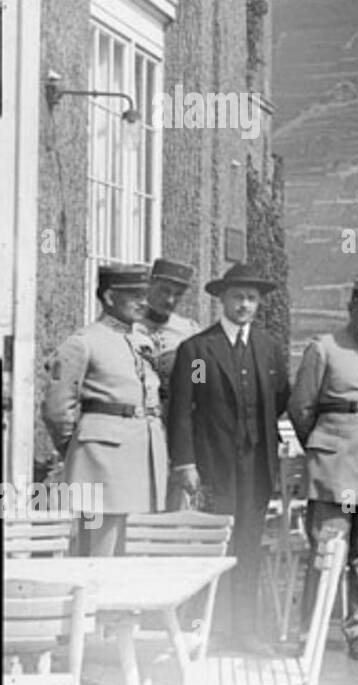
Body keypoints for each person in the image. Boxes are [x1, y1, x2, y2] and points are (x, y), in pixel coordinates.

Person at [168, 263, 288, 646]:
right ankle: (209, 630)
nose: (244, 305)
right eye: (238, 297)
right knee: (216, 547)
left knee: (249, 546)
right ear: (223, 300)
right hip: (215, 467)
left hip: (257, 466)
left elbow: (280, 397)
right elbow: (187, 407)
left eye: (251, 298)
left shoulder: (269, 350)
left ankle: (246, 630)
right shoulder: (200, 352)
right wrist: (186, 462)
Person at [289, 281, 358, 661]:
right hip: (335, 470)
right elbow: (301, 408)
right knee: (328, 551)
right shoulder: (324, 349)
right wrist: (324, 450)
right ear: (351, 307)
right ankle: (312, 628)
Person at [42, 263, 167, 556]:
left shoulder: (142, 342)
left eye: (145, 294)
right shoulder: (84, 343)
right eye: (135, 295)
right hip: (100, 462)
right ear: (110, 297)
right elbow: (56, 409)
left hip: (143, 460)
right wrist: (77, 448)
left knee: (133, 554)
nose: (144, 302)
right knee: (97, 554)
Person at [137, 257, 200, 413]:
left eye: (178, 294)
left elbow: (200, 379)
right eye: (164, 290)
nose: (170, 300)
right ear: (149, 286)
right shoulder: (129, 326)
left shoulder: (191, 331)